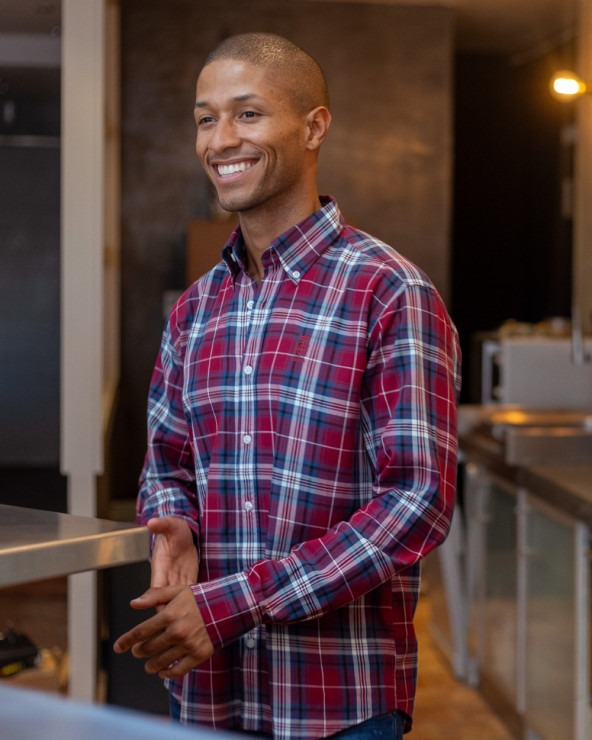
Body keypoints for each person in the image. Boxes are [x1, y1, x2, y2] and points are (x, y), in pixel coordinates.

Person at [114, 32, 461, 740]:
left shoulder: (390, 291)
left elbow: (418, 501)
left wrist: (238, 602)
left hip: (340, 705)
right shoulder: (195, 308)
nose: (219, 140)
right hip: (207, 693)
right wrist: (172, 520)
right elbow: (168, 460)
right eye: (205, 118)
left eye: (246, 114)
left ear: (314, 126)